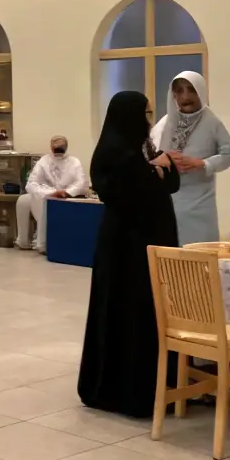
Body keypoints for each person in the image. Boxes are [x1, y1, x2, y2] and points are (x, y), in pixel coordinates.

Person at [78, 90, 180, 418]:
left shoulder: (140, 150)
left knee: (147, 314)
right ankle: (127, 391)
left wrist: (159, 168)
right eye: (143, 115)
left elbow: (169, 182)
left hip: (143, 246)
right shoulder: (114, 153)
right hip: (126, 249)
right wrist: (155, 171)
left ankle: (155, 384)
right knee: (128, 311)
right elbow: (134, 194)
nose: (147, 122)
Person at [149, 72, 230, 244]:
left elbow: (229, 154)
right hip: (168, 202)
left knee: (199, 254)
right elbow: (151, 155)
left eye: (191, 90)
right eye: (179, 91)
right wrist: (162, 160)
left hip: (200, 202)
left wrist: (201, 163)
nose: (185, 97)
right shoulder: (166, 122)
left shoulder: (212, 122)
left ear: (200, 91)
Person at [16, 136, 88, 253]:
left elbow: (81, 183)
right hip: (46, 195)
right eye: (56, 148)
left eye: (61, 148)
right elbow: (31, 184)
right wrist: (50, 193)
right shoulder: (44, 161)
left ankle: (45, 243)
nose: (58, 151)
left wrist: (66, 192)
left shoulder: (74, 162)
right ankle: (23, 241)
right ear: (51, 147)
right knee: (23, 200)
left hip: (67, 196)